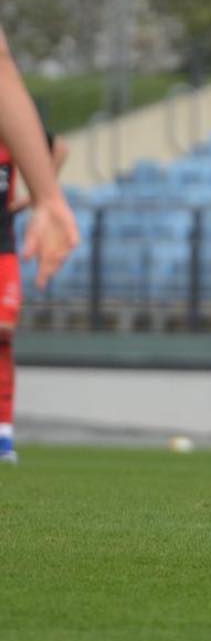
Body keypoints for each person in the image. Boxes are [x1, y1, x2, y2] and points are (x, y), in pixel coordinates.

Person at [0, 25, 80, 462]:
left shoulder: (11, 131)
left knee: (4, 332)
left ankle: (3, 434)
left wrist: (43, 196)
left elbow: (59, 147)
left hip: (3, 244)